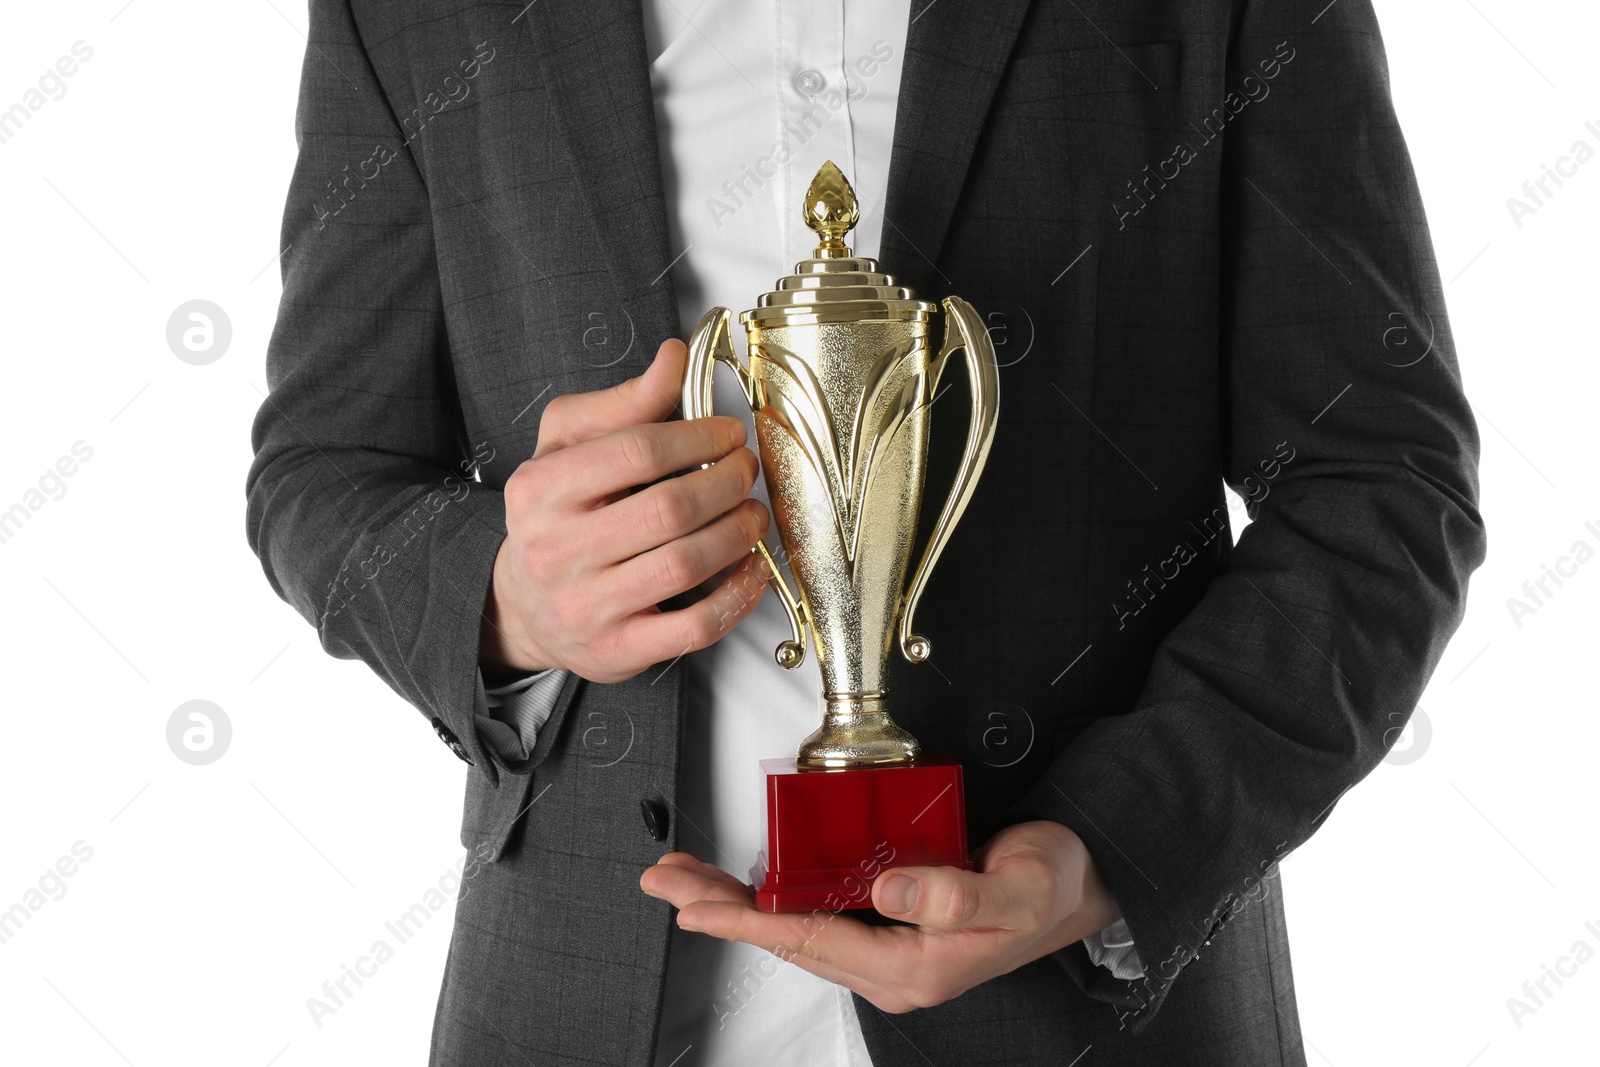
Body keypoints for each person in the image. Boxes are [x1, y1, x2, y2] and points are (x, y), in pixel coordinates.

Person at [247, 1, 1485, 1064]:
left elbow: (1379, 478)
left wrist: (1108, 848)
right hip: (572, 1000)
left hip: (1096, 1013)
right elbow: (324, 470)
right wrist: (507, 599)